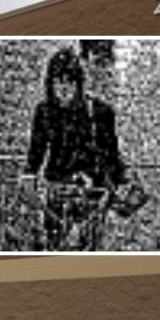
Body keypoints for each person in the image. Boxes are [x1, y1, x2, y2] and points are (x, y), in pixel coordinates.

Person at [26, 47, 126, 249]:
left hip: (92, 191)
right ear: (50, 83)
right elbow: (36, 149)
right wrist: (29, 175)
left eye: (69, 81)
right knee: (56, 246)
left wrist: (117, 184)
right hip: (57, 189)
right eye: (58, 81)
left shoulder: (99, 112)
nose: (64, 88)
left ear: (78, 84)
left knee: (87, 247)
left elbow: (111, 154)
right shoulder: (45, 111)